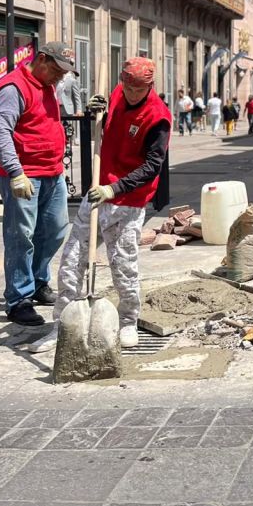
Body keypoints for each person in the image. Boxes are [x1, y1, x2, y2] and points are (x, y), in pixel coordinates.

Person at [29, 58, 171, 353]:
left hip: (127, 201)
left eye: (137, 89)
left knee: (123, 265)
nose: (130, 93)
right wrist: (99, 113)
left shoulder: (158, 117)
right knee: (71, 261)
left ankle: (129, 320)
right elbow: (107, 126)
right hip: (97, 192)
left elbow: (153, 166)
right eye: (127, 86)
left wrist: (114, 188)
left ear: (150, 86)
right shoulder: (117, 93)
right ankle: (63, 325)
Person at [0, 42, 76, 326]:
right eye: (57, 70)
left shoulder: (48, 85)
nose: (60, 77)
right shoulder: (13, 88)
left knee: (54, 230)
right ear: (40, 59)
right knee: (20, 236)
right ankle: (18, 299)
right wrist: (15, 172)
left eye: (64, 73)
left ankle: (38, 281)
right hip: (23, 174)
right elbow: (1, 131)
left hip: (51, 172)